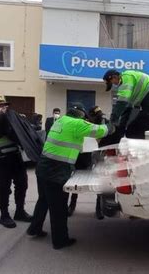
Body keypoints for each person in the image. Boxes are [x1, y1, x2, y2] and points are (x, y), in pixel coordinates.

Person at [27, 104, 113, 249]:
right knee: (59, 207)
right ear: (81, 115)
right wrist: (112, 125)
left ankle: (34, 229)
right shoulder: (78, 124)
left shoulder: (60, 120)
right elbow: (102, 131)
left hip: (43, 166)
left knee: (43, 200)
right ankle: (60, 241)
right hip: (57, 169)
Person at [0, 96, 33, 228]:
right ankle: (4, 215)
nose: (4, 107)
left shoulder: (10, 118)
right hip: (1, 157)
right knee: (4, 187)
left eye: (5, 105)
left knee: (22, 184)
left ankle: (20, 211)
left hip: (15, 156)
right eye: (0, 105)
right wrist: (3, 118)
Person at [102, 69, 149, 144]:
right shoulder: (130, 89)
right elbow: (126, 110)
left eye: (112, 83)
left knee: (134, 130)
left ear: (114, 77)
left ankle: (139, 152)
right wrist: (120, 129)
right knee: (134, 129)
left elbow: (121, 103)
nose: (114, 85)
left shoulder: (126, 79)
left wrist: (112, 121)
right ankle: (139, 151)